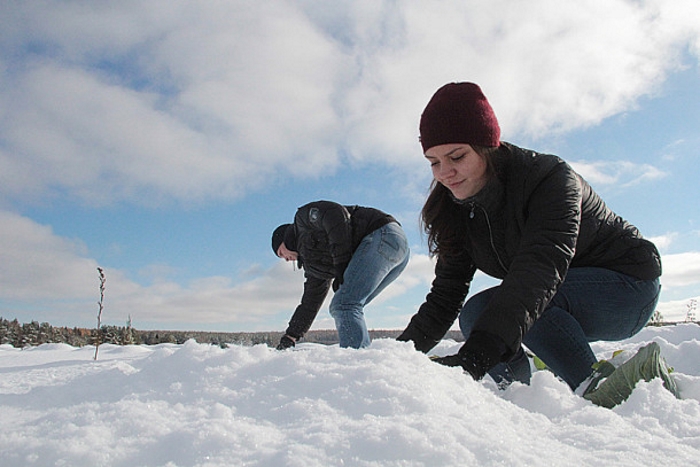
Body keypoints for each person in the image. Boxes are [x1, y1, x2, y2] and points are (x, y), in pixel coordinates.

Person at [397, 82, 667, 401]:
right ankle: (518, 393)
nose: (445, 173)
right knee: (475, 312)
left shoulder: (548, 178)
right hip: (552, 295)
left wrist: (473, 359)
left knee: (529, 304)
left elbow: (539, 271)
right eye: (433, 162)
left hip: (626, 289)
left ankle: (601, 390)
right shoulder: (457, 209)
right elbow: (446, 294)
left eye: (456, 156)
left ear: (487, 146)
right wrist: (399, 358)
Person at [272, 200, 410, 350]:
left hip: (381, 233)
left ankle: (357, 361)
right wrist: (290, 336)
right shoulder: (314, 267)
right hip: (397, 247)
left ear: (284, 239)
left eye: (281, 253)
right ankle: (371, 357)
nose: (285, 259)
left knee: (344, 304)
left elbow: (333, 213)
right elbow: (310, 303)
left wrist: (341, 264)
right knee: (350, 304)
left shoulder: (303, 222)